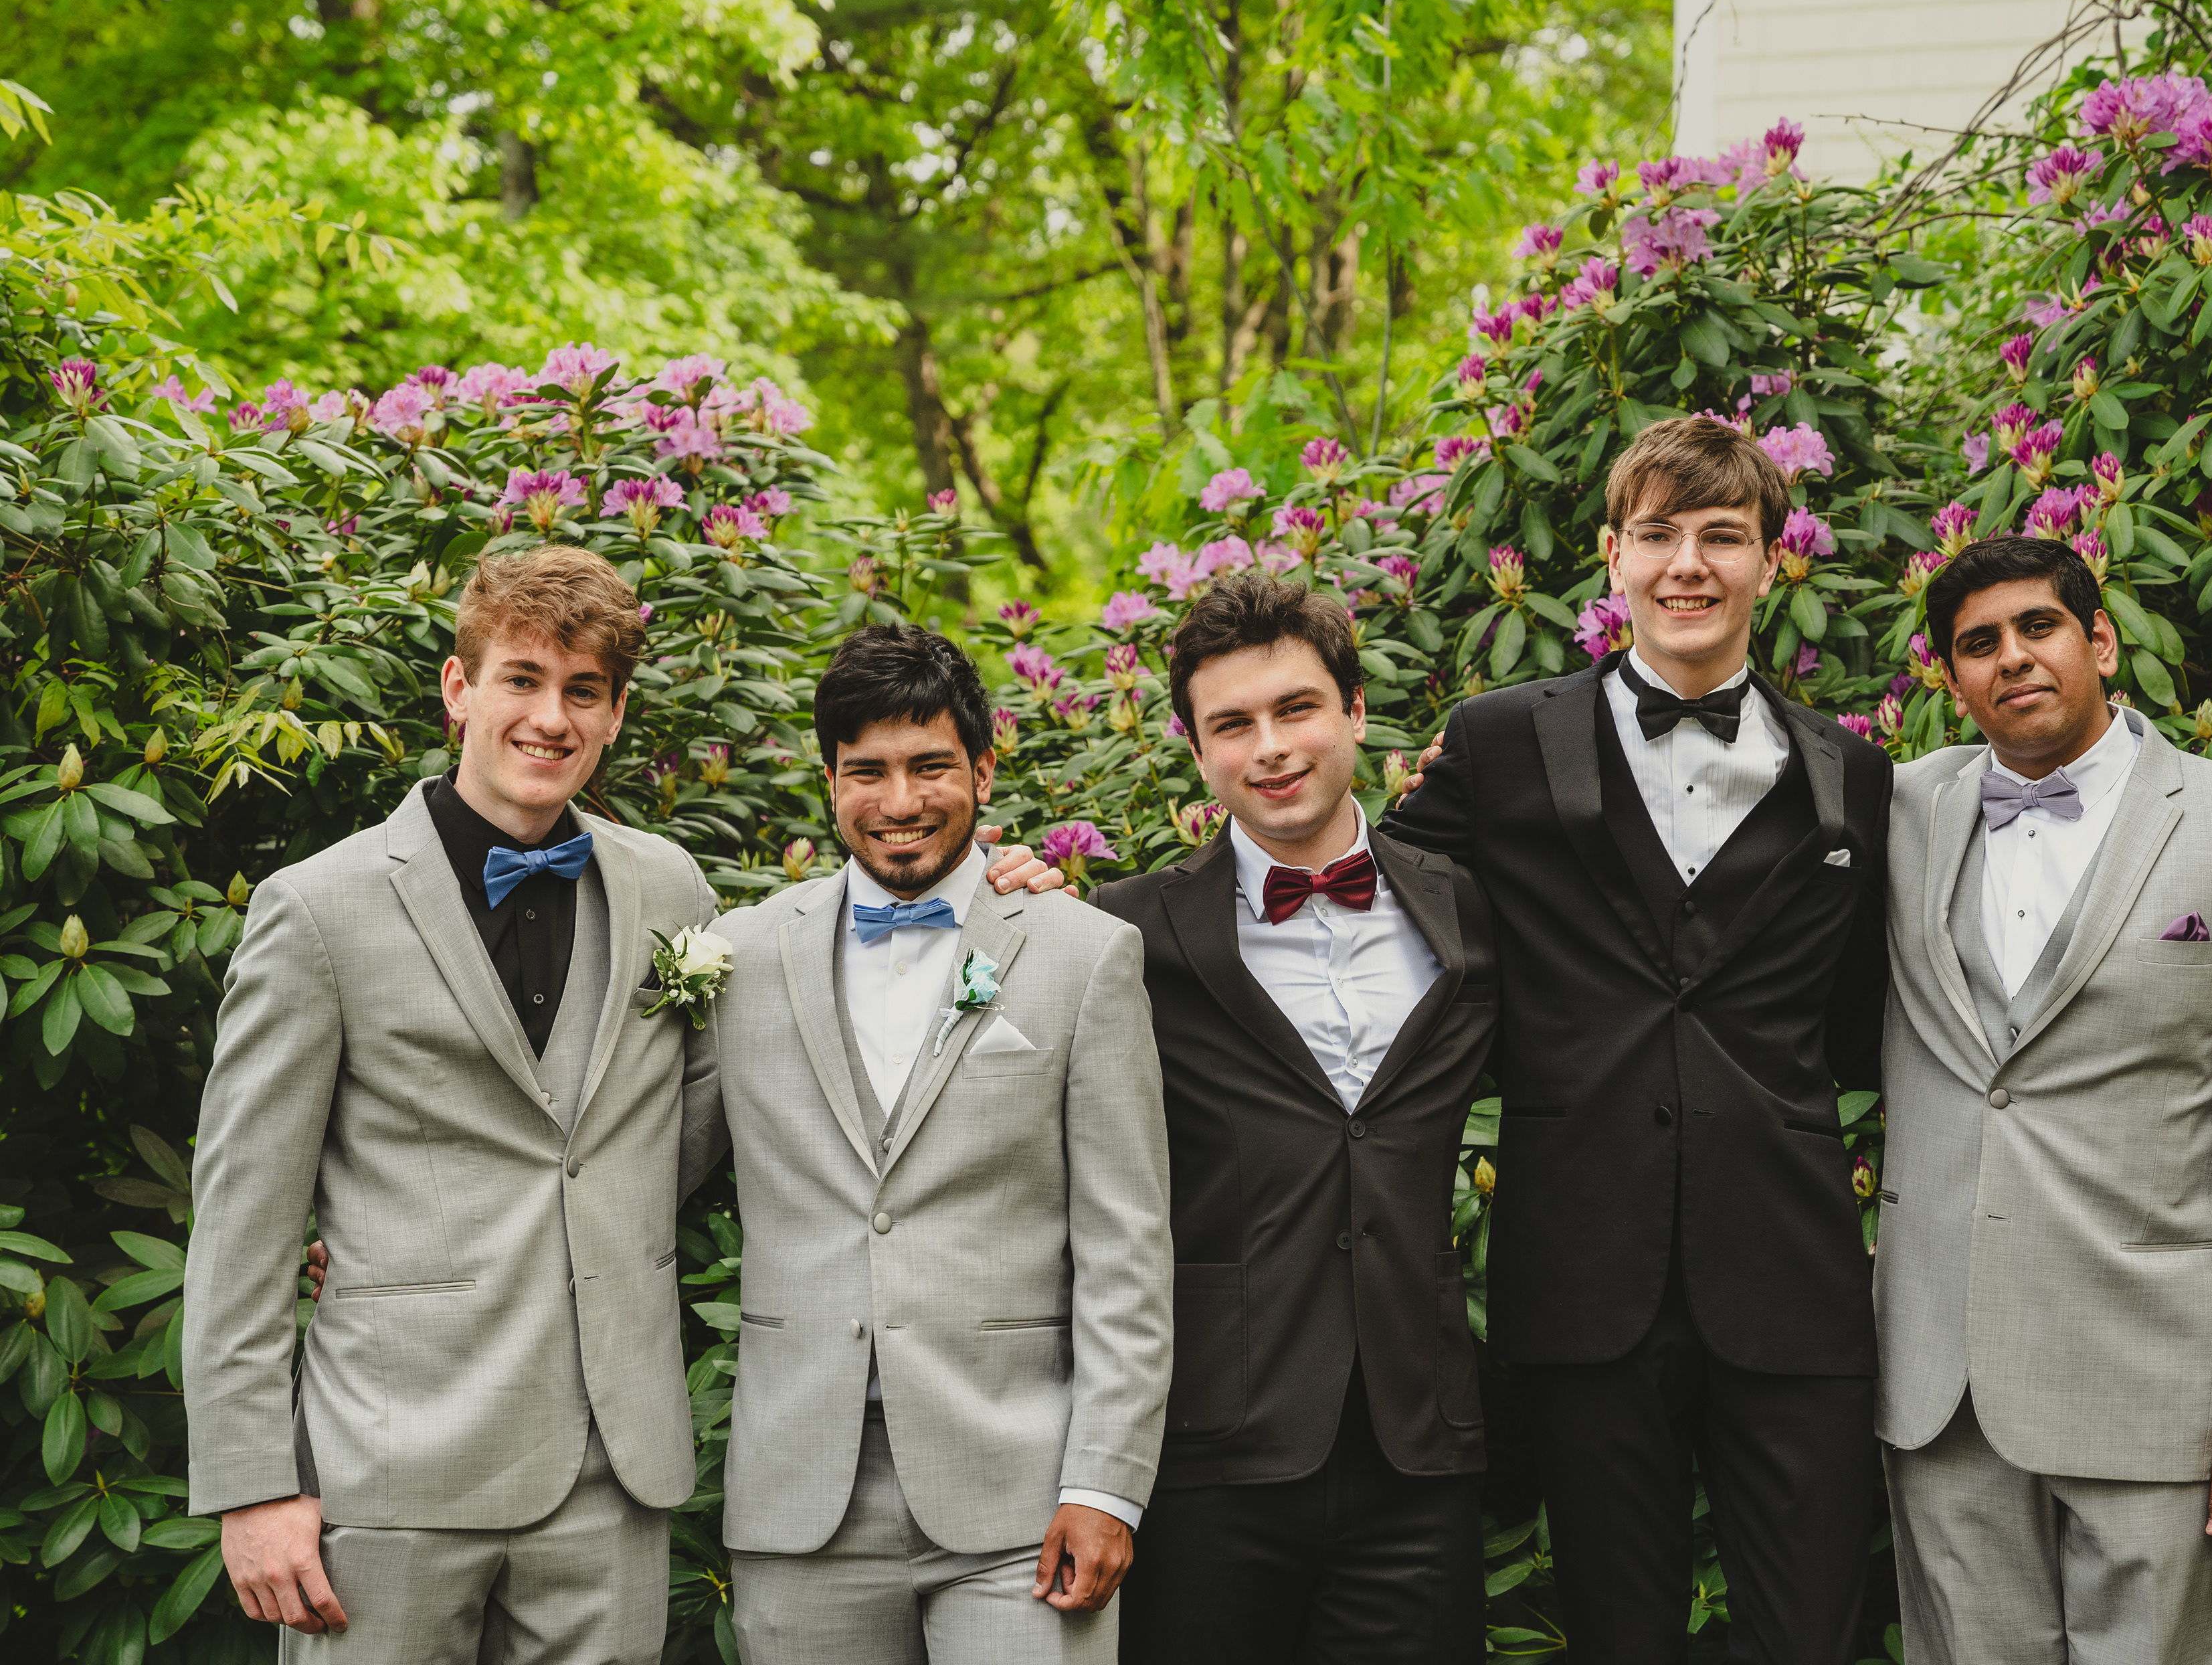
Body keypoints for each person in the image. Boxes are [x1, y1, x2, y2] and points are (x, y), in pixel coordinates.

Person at [186, 545, 1049, 1662]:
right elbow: (243, 1220)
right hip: (389, 1466)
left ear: (615, 714)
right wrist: (253, 1485)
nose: (552, 718)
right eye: (522, 680)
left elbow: (726, 1102)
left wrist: (993, 897)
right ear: (459, 690)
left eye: (583, 691)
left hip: (615, 1474)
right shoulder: (317, 910)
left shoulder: (668, 890)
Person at [1383, 414, 1892, 1664]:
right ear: (1613, 557)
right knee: (1619, 1637)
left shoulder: (1853, 775)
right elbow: (1365, 900)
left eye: (1723, 536)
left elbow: (1857, 1021)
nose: (1689, 565)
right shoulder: (1500, 741)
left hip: (1793, 1278)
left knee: (1812, 1635)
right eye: (1659, 535)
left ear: (1773, 559)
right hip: (1582, 1271)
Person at [1873, 535, 2212, 1664]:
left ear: (2100, 641)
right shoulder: (1900, 813)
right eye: (1978, 643)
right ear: (1951, 679)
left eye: (2039, 627)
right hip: (1943, 1393)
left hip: (2163, 1399)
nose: (2012, 657)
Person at [709, 622, 1173, 1664]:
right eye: (866, 772)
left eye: (930, 766)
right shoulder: (741, 958)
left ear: (984, 770)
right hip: (800, 1496)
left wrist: (1105, 1485)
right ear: (829, 780)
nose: (900, 801)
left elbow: (1127, 1248)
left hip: (1021, 1496)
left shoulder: (1084, 955)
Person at [1095, 576, 1501, 1665]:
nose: (1270, 748)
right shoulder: (1122, 934)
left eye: (1297, 709)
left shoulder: (1472, 909)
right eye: (1232, 724)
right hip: (1211, 1447)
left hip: (1419, 1444)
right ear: (1195, 751)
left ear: (1356, 712)